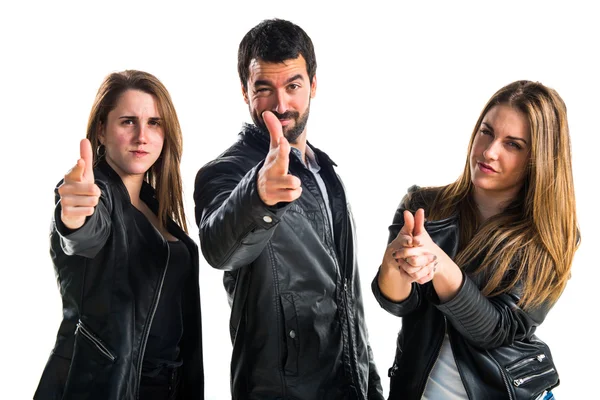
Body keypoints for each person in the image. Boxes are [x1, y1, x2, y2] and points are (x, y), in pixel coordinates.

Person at [194, 18, 384, 400]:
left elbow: (349, 298)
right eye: (264, 89)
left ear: (313, 85)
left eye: (293, 86)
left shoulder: (326, 172)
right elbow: (219, 248)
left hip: (349, 387)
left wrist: (370, 383)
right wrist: (258, 195)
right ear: (245, 92)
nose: (281, 105)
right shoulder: (226, 172)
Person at [372, 80, 578, 400]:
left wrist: (440, 265)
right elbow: (398, 303)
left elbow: (495, 330)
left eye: (513, 144)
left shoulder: (549, 238)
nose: (489, 151)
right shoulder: (423, 204)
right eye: (487, 131)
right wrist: (394, 264)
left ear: (538, 159)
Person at [34, 70, 204, 400]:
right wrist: (74, 214)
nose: (143, 135)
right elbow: (84, 235)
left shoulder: (157, 209)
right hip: (109, 388)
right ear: (101, 129)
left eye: (154, 122)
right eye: (128, 121)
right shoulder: (96, 196)